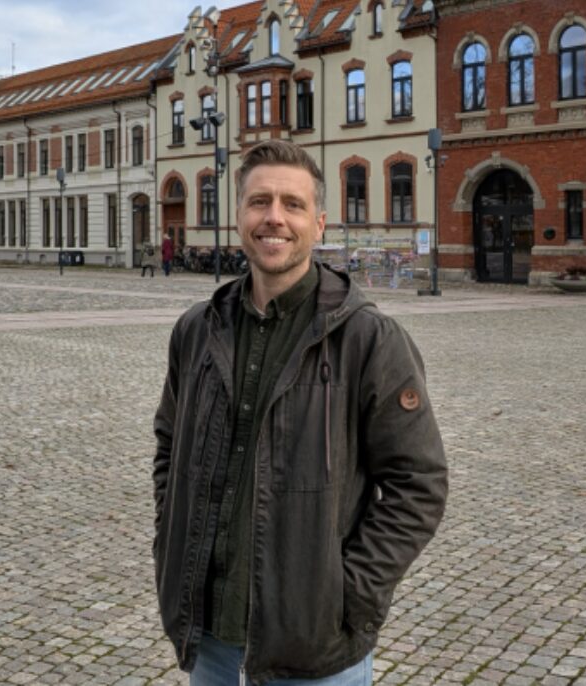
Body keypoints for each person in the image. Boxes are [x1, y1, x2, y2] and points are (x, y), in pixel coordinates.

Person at [152, 140, 447, 685]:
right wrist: (168, 546)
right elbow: (170, 443)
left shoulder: (369, 340)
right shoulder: (197, 330)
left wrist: (348, 596)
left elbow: (419, 484)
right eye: (259, 201)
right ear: (239, 216)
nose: (274, 218)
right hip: (210, 639)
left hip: (314, 652)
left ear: (319, 223)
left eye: (292, 204)